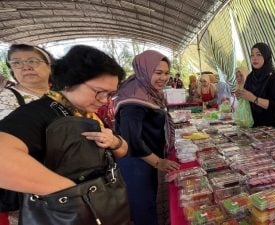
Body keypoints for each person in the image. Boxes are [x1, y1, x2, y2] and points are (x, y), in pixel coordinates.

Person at [0, 45, 129, 224]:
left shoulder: (88, 113)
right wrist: (74, 195)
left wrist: (115, 141)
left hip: (100, 209)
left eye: (110, 94)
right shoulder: (37, 113)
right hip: (62, 216)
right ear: (70, 81)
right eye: (99, 91)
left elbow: (123, 151)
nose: (105, 100)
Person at [114, 50, 180, 225]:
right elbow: (132, 140)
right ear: (144, 70)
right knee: (143, 207)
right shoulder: (133, 99)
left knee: (148, 201)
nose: (163, 78)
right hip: (135, 161)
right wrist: (159, 162)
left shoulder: (146, 91)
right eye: (157, 73)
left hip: (145, 158)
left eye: (166, 73)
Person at [0, 44, 53, 225]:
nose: (25, 67)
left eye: (32, 61)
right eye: (17, 63)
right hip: (28, 184)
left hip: (62, 178)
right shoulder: (7, 99)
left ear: (49, 65)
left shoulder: (60, 95)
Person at [236, 43, 275, 130]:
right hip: (253, 124)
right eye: (252, 55)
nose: (254, 58)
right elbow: (247, 99)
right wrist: (241, 95)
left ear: (266, 56)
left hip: (271, 127)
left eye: (259, 54)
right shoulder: (250, 77)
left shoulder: (274, 77)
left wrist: (253, 98)